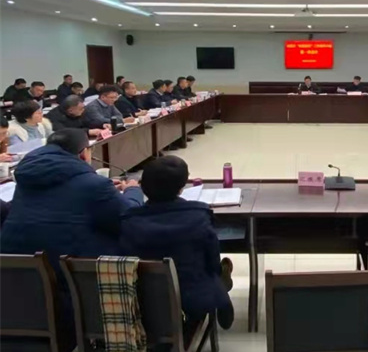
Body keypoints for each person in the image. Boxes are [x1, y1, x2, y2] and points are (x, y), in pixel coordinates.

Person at [0, 128, 144, 300]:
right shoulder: (94, 186)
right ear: (83, 154)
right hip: (70, 271)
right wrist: (133, 190)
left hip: (18, 267)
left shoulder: (26, 177)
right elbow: (129, 218)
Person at [120, 156, 234, 329]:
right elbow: (211, 259)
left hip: (146, 304)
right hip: (193, 301)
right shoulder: (199, 216)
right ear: (181, 189)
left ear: (143, 186)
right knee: (212, 272)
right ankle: (222, 291)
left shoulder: (130, 222)